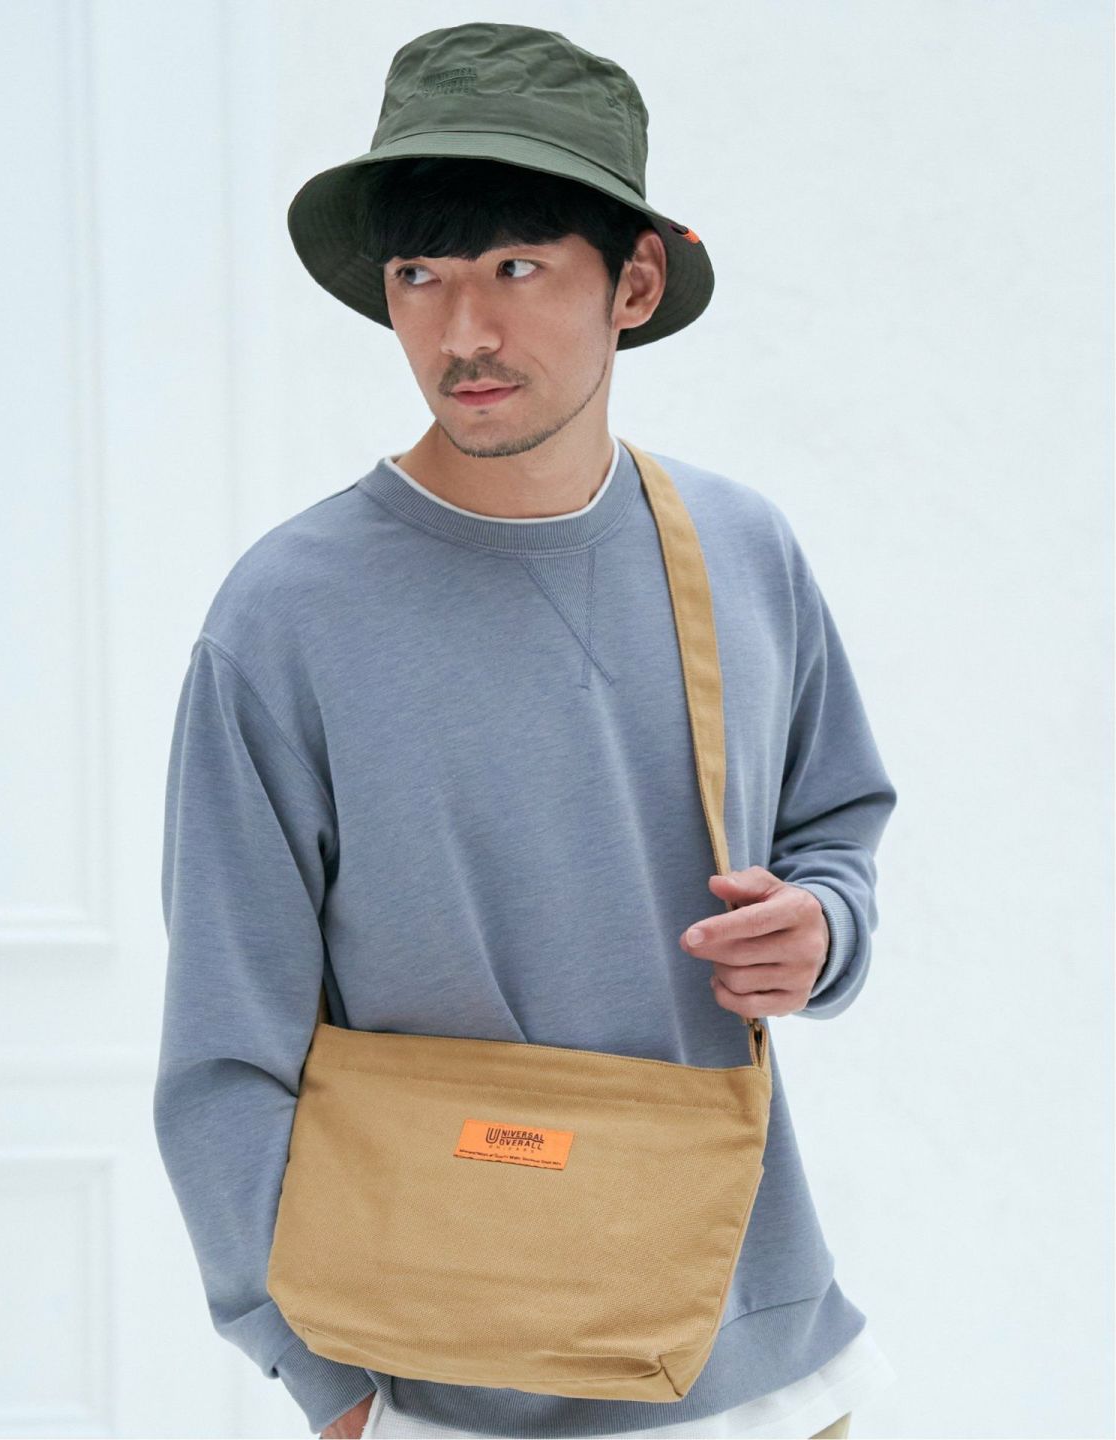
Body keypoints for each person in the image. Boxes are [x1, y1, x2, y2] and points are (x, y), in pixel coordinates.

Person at [152, 21, 899, 1440]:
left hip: (763, 1363)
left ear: (634, 282)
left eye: (515, 268)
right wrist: (320, 1376)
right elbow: (225, 1044)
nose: (461, 334)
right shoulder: (288, 613)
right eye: (419, 275)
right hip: (448, 1382)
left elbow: (835, 823)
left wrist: (825, 927)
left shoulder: (738, 549)